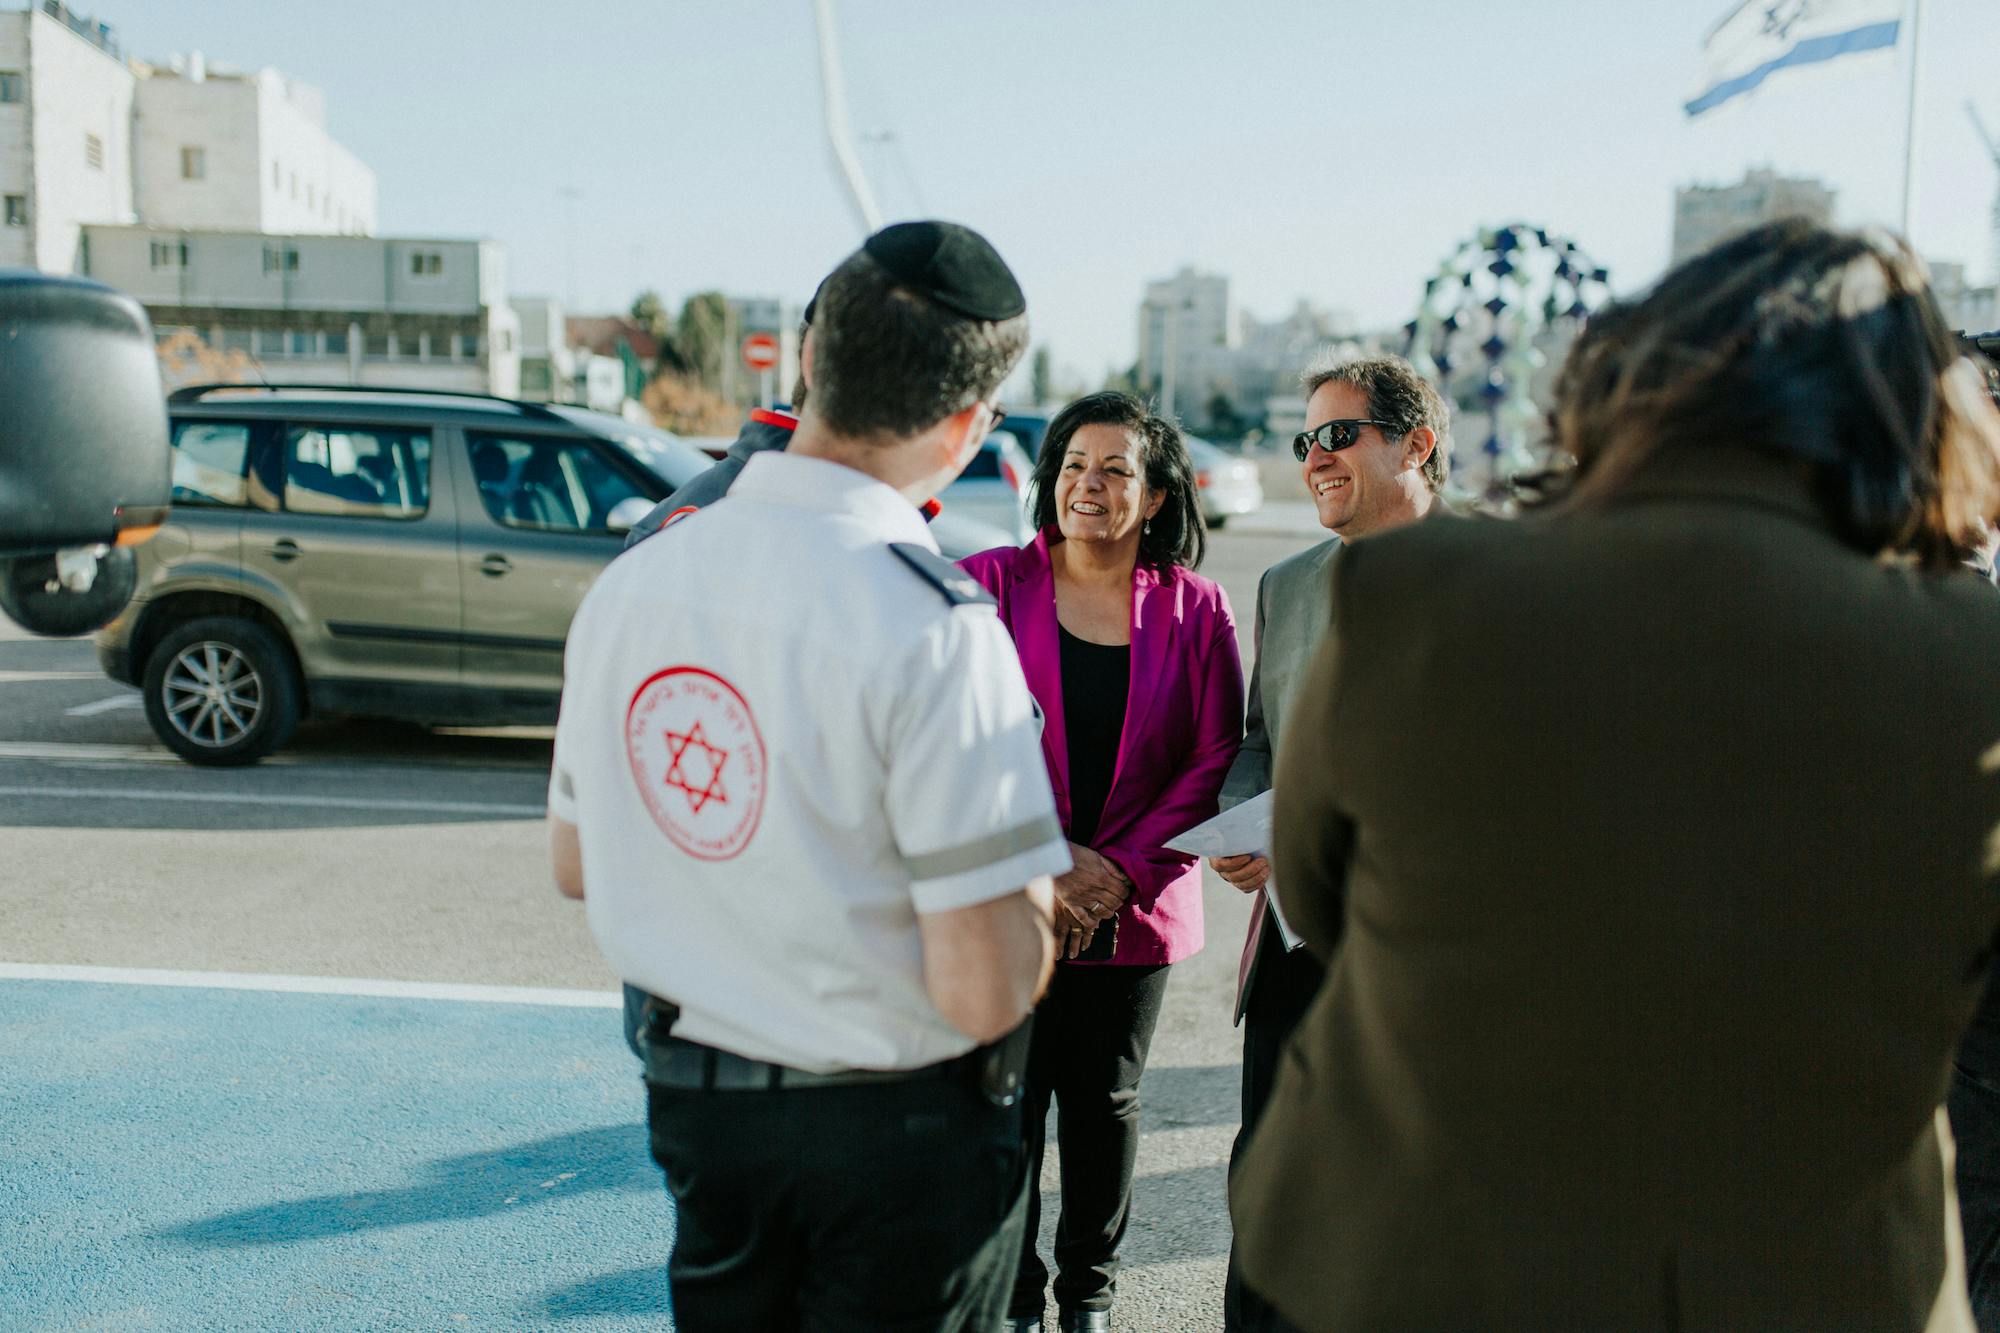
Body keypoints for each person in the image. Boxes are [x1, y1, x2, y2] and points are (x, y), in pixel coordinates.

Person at [1232, 219, 2000, 1331]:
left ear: (1636, 380)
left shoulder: (1420, 592)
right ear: (1911, 414)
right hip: (1820, 1270)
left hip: (1458, 1254)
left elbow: (1315, 891)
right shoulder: (1968, 652)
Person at [549, 220, 1069, 1331]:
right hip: (896, 1143)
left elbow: (577, 861)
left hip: (700, 1113)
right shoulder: (932, 623)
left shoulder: (636, 580)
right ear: (970, 426)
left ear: (804, 361)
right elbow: (984, 985)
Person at [957, 391, 1244, 1333]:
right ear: (1051, 480)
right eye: (1076, 464)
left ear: (1156, 495)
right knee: (1007, 1109)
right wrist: (1046, 862)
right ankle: (1013, 1301)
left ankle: (1089, 1297)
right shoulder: (989, 586)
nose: (1091, 484)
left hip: (1138, 903)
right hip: (1008, 897)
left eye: (1117, 469)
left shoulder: (1197, 610)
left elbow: (1214, 756)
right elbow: (955, 743)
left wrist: (1115, 870)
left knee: (1103, 1106)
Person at [1210, 355, 1450, 1333]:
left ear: (1416, 444)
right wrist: (1241, 817)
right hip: (1291, 955)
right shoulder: (1284, 584)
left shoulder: (1501, 584)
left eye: (1337, 434)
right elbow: (1255, 741)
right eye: (1303, 439)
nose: (1314, 457)